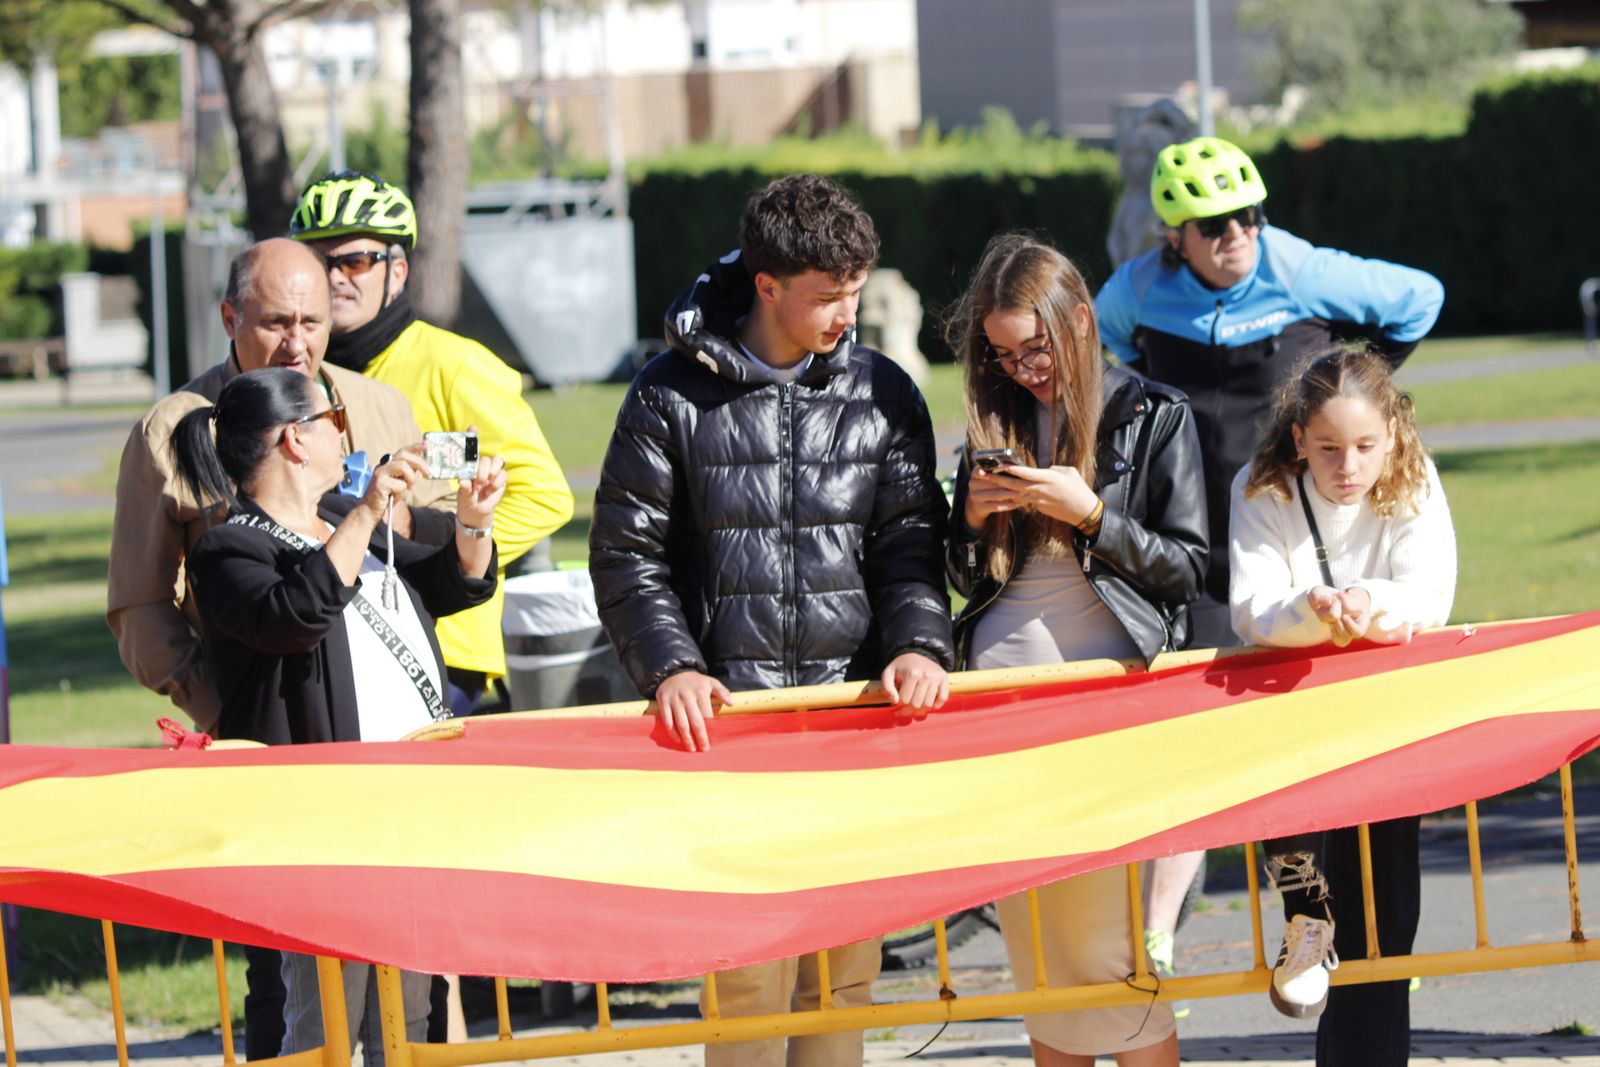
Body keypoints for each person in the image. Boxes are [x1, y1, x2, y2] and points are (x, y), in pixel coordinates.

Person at [589, 173, 955, 1067]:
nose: (848, 314)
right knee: (747, 978)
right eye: (828, 295)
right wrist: (672, 666)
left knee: (844, 976)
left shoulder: (886, 392)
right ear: (766, 285)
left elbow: (910, 545)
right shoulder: (666, 394)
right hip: (730, 730)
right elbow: (626, 555)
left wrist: (917, 643)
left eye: (856, 290)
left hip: (852, 723)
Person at [1095, 135, 1445, 990]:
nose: (1237, 235)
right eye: (1214, 225)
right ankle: (1295, 915)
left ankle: (1372, 935)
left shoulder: (1296, 265)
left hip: (1292, 523)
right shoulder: (1137, 288)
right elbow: (1101, 345)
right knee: (1232, 740)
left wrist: (1355, 391)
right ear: (1174, 235)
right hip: (1202, 539)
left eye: (1248, 215)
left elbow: (1420, 298)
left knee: (1324, 733)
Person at [106, 237, 448, 1060]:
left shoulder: (377, 405)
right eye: (275, 323)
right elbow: (142, 605)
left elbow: (415, 560)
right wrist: (233, 713)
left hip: (393, 763)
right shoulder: (173, 429)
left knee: (411, 993)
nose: (298, 342)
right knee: (296, 990)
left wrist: (467, 531)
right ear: (231, 317)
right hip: (278, 761)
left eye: (313, 322)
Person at [172, 367, 504, 1065]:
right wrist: (367, 510)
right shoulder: (229, 548)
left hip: (406, 813)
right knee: (323, 1021)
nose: (345, 435)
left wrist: (473, 519)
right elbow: (292, 614)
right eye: (335, 420)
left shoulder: (342, 522)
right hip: (322, 826)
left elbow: (449, 582)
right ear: (296, 439)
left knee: (412, 1017)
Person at [945, 233, 1206, 1067]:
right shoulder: (997, 423)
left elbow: (1189, 569)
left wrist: (1090, 514)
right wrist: (972, 520)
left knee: (1108, 950)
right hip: (1003, 708)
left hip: (1105, 709)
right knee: (1037, 949)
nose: (1023, 370)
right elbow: (964, 579)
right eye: (1003, 355)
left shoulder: (1156, 414)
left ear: (1082, 320)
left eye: (1035, 347)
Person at [1229, 345, 1455, 1064]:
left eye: (1364, 446)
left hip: (1388, 716)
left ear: (1392, 434)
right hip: (1292, 713)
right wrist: (1314, 607)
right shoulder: (1261, 487)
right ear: (1299, 439)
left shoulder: (1414, 476)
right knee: (1312, 877)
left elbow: (1429, 594)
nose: (1348, 466)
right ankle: (1303, 918)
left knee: (1385, 919)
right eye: (1328, 448)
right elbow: (1253, 608)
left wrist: (1367, 601)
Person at [288, 170, 574, 715]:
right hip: (338, 636)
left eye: (355, 261)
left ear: (397, 272)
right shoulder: (299, 378)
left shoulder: (454, 365)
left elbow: (544, 496)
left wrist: (437, 542)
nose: (336, 277)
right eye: (319, 263)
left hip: (445, 643)